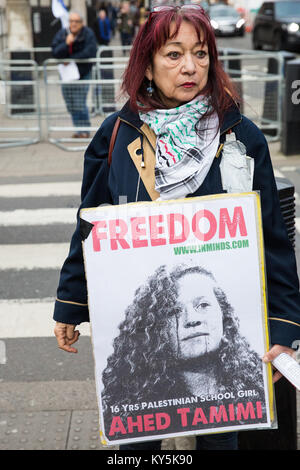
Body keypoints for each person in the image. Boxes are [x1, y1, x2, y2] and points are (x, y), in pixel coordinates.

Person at [53, 5, 300, 451]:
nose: (190, 67)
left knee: (222, 440)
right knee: (139, 445)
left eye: (201, 54)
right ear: (147, 63)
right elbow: (90, 224)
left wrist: (284, 330)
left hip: (224, 378)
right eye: (173, 54)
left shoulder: (240, 137)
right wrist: (70, 304)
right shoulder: (118, 134)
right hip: (145, 351)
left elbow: (273, 242)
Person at [101, 263, 266, 443]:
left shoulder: (253, 386)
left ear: (223, 314)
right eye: (174, 311)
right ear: (153, 327)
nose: (192, 319)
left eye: (203, 305)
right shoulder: (134, 400)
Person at [51, 11, 97, 138]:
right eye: (71, 21)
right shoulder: (63, 34)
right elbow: (55, 52)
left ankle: (84, 130)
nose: (74, 24)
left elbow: (90, 51)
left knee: (79, 102)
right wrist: (66, 43)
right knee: (70, 102)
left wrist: (71, 59)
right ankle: (78, 129)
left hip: (82, 73)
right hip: (66, 75)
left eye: (76, 21)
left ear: (81, 23)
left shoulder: (88, 34)